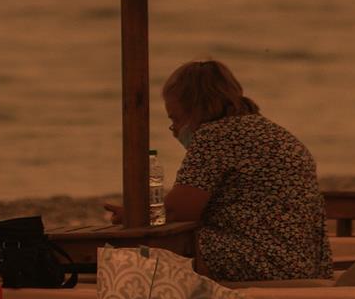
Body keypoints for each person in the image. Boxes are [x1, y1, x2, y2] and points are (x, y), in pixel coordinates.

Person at [109, 59, 330, 282]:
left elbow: (179, 211)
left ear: (195, 108)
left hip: (263, 261)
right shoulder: (269, 130)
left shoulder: (215, 136)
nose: (173, 129)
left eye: (175, 118)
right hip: (305, 263)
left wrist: (134, 215)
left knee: (135, 256)